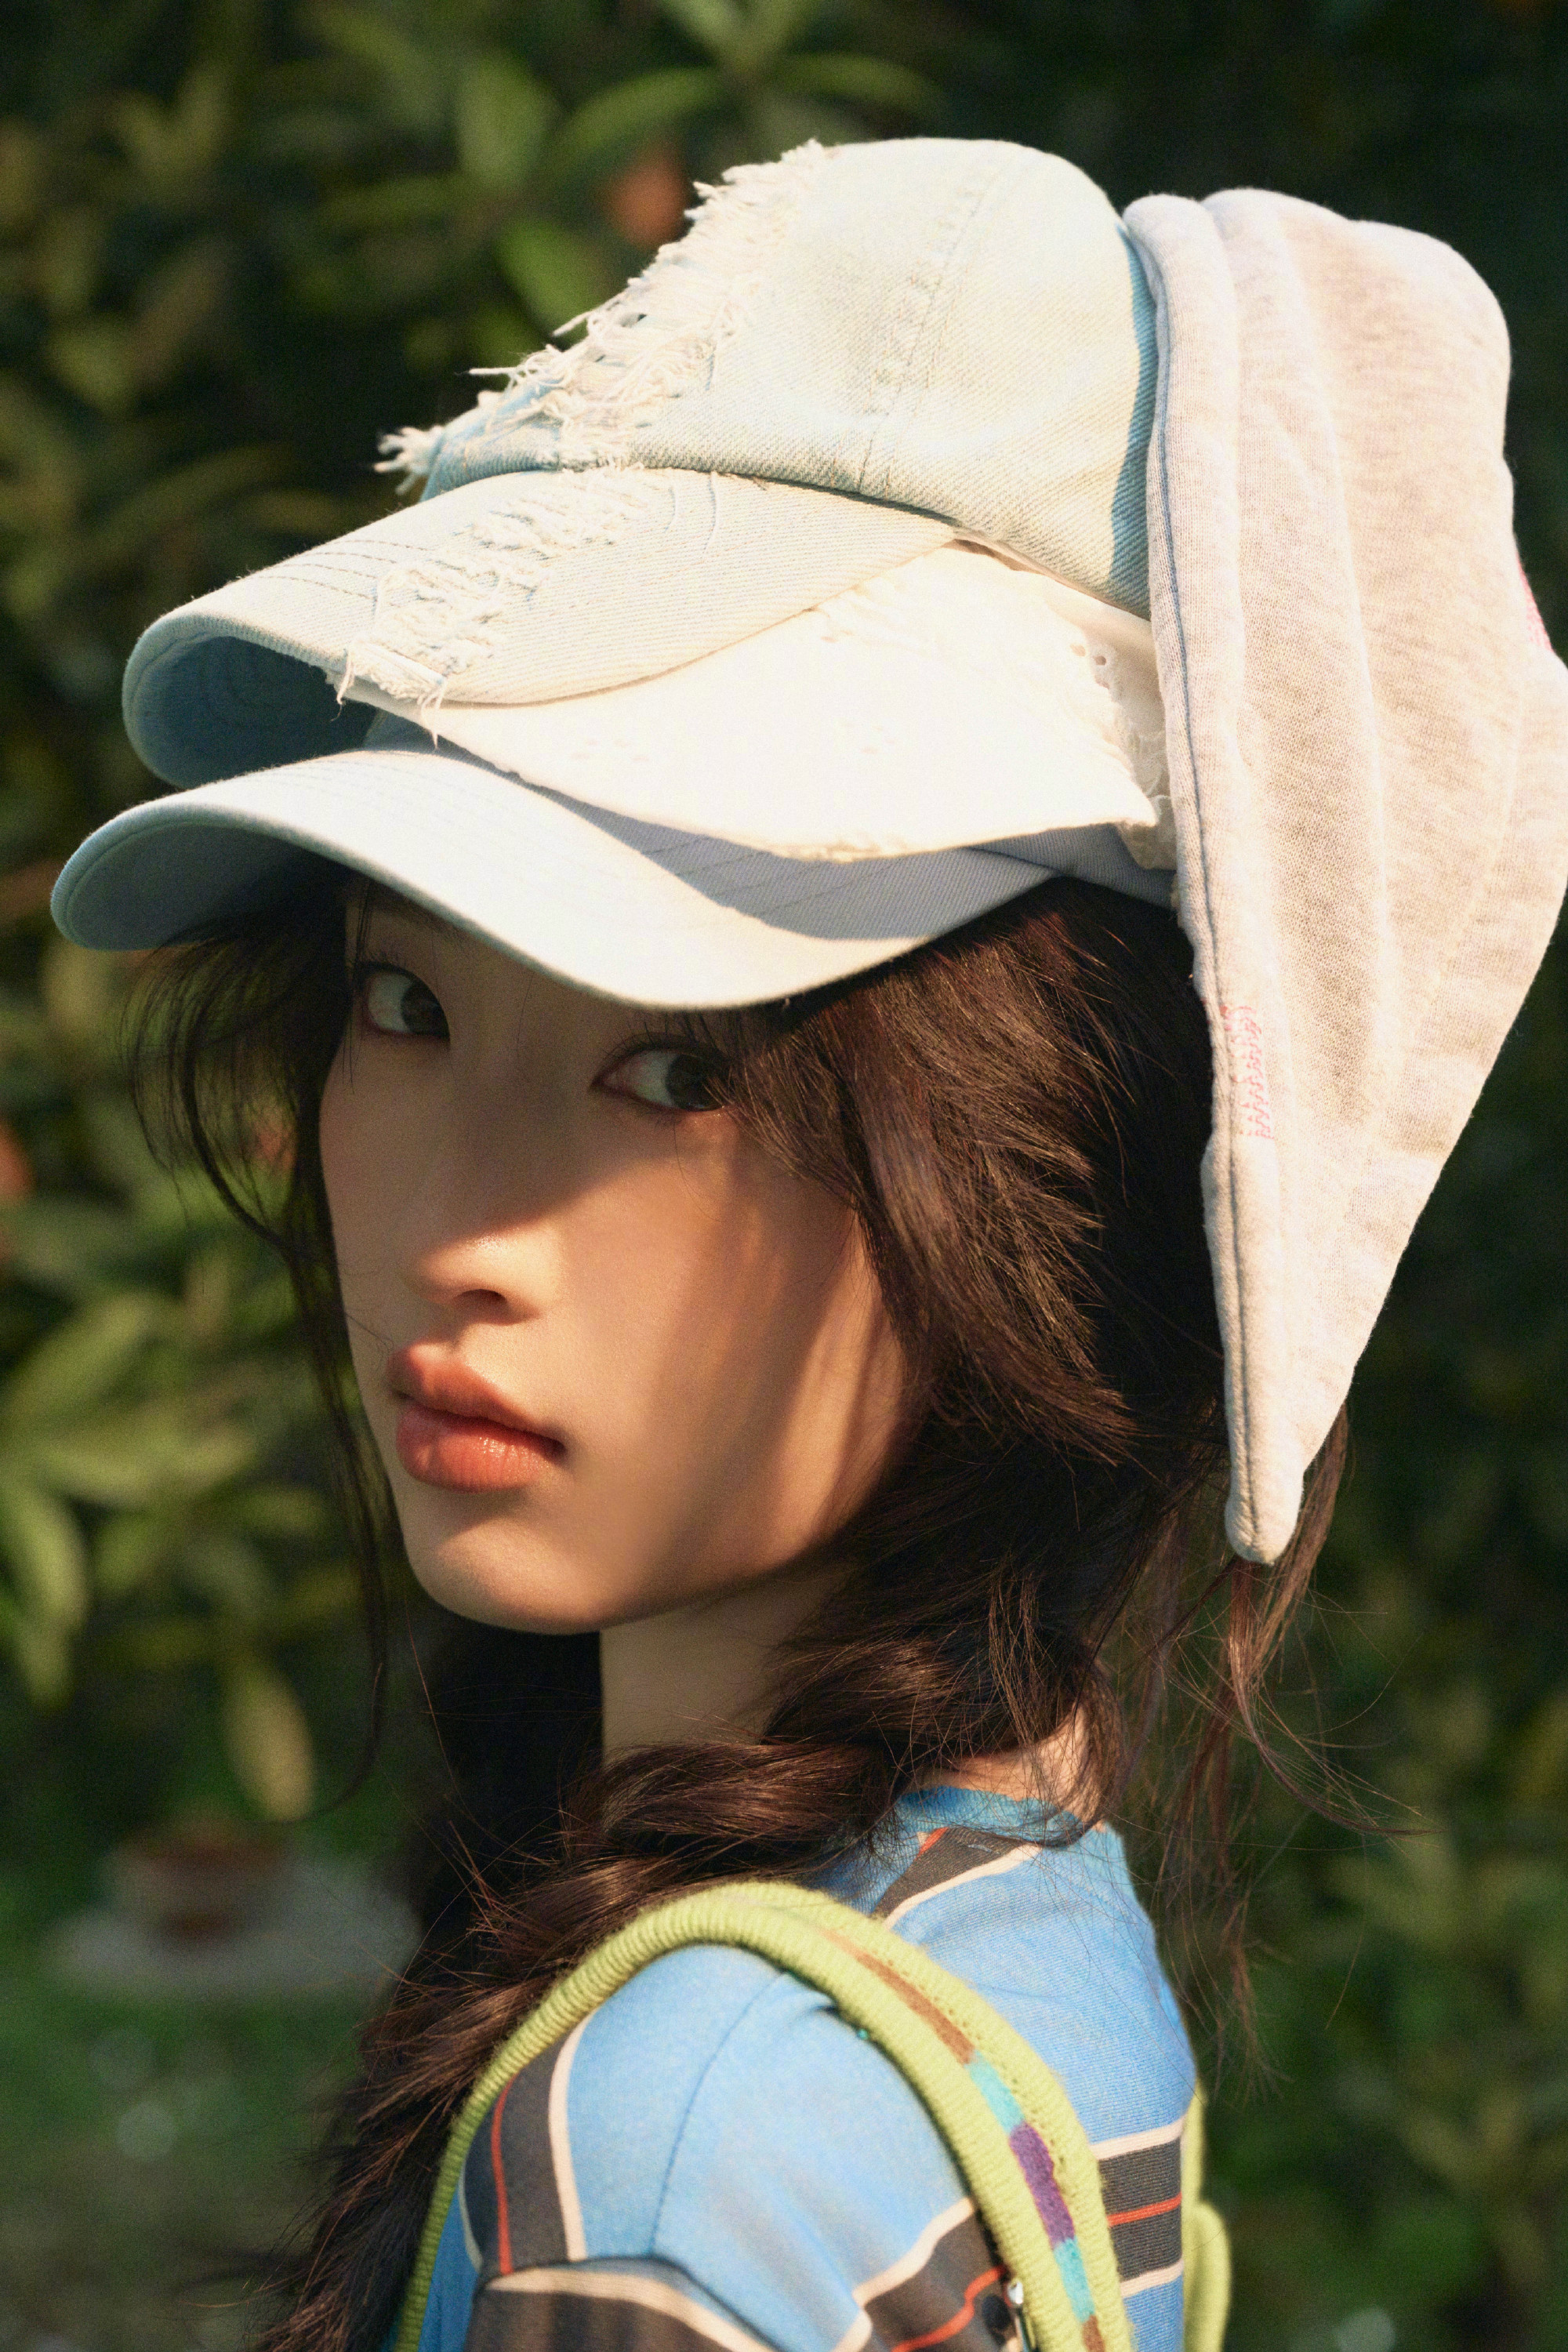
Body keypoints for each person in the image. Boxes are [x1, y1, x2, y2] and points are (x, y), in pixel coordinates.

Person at [52, 137, 1568, 2352]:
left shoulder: (679, 2168)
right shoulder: (1011, 1927)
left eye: (685, 1070)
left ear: (1066, 1153)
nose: (466, 1227)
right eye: (405, 1004)